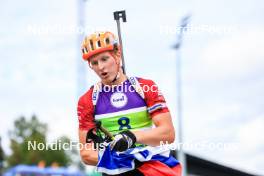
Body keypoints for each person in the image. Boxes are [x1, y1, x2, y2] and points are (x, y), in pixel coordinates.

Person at [77, 31, 181, 176]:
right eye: (94, 63)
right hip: (116, 170)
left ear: (117, 55)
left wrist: (132, 137)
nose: (100, 67)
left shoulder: (145, 87)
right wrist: (122, 159)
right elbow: (86, 154)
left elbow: (168, 133)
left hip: (151, 167)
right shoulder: (88, 100)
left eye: (104, 59)